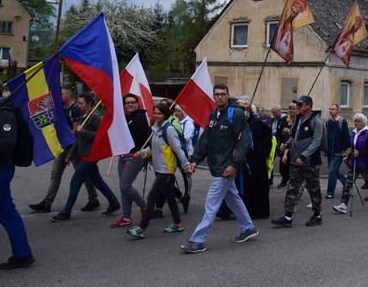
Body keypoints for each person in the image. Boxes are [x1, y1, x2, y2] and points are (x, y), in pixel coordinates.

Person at [181, 85, 258, 253]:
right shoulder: (213, 115)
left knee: (211, 203)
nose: (220, 97)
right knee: (233, 198)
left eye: (223, 94)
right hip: (218, 165)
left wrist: (234, 164)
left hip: (227, 167)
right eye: (217, 94)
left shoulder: (236, 113)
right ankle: (248, 228)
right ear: (213, 97)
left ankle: (198, 240)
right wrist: (195, 159)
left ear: (228, 95)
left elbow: (243, 142)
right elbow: (205, 139)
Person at [0, 76, 35, 269]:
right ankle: (23, 254)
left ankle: (23, 254)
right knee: (7, 214)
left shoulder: (3, 113)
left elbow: (7, 143)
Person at [51, 92, 121, 222]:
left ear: (89, 104)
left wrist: (85, 131)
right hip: (83, 153)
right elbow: (78, 139)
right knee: (96, 180)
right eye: (78, 102)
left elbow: (102, 135)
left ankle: (66, 211)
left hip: (91, 154)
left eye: (82, 103)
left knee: (76, 180)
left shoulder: (94, 116)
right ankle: (114, 202)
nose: (79, 105)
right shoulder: (83, 116)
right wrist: (71, 154)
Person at [30, 86, 100, 213]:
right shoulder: (62, 109)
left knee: (82, 175)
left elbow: (74, 132)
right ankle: (47, 203)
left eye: (61, 94)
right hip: (62, 147)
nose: (59, 96)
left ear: (68, 96)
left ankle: (93, 199)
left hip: (73, 148)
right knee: (56, 174)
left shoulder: (76, 110)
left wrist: (69, 148)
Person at [127, 103, 190, 239]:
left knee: (151, 197)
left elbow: (178, 149)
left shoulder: (169, 129)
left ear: (165, 114)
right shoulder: (155, 129)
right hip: (159, 167)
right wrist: (141, 153)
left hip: (166, 170)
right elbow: (152, 149)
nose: (156, 115)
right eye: (154, 113)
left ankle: (142, 228)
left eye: (159, 113)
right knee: (169, 196)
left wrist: (186, 166)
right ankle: (178, 224)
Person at [271, 95, 324, 228]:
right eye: (297, 105)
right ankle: (288, 216)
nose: (298, 107)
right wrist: (287, 145)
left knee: (314, 189)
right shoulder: (298, 119)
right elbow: (294, 136)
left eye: (300, 105)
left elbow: (316, 141)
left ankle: (317, 215)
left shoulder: (316, 121)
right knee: (292, 188)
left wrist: (304, 156)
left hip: (309, 162)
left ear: (308, 106)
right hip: (295, 161)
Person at [109, 94, 151, 229]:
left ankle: (144, 207)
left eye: (133, 102)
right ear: (124, 105)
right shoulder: (125, 118)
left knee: (125, 185)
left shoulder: (139, 117)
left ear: (137, 104)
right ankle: (126, 217)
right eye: (127, 103)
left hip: (134, 156)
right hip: (123, 155)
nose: (130, 104)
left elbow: (137, 139)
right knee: (123, 187)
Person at [333, 113, 368, 213]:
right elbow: (354, 148)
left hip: (365, 163)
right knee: (348, 184)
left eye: (358, 121)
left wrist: (360, 154)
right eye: (355, 121)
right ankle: (343, 205)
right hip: (354, 162)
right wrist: (349, 157)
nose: (356, 123)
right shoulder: (354, 132)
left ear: (363, 123)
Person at [237, 97, 272, 219]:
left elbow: (262, 141)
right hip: (245, 160)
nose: (243, 111)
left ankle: (258, 210)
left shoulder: (256, 123)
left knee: (257, 185)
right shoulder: (241, 123)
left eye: (245, 109)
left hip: (256, 159)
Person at [324, 104, 350, 199]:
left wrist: (344, 150)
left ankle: (330, 192)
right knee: (334, 171)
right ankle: (347, 183)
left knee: (331, 171)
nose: (331, 111)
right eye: (330, 109)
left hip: (338, 152)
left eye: (333, 109)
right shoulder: (328, 123)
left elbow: (346, 137)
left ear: (337, 111)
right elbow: (326, 136)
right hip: (330, 151)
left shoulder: (342, 122)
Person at [276, 103, 297, 188]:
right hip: (282, 146)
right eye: (290, 109)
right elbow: (279, 133)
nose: (291, 110)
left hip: (291, 148)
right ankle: (284, 180)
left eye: (294, 109)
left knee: (291, 167)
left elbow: (292, 137)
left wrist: (286, 150)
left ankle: (292, 182)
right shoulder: (284, 120)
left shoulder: (297, 122)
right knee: (282, 167)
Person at [269, 104, 285, 186]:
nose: (273, 114)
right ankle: (269, 178)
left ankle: (284, 179)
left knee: (283, 163)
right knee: (270, 160)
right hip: (272, 142)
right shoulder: (273, 119)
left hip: (280, 143)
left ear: (279, 111)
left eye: (274, 112)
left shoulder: (284, 120)